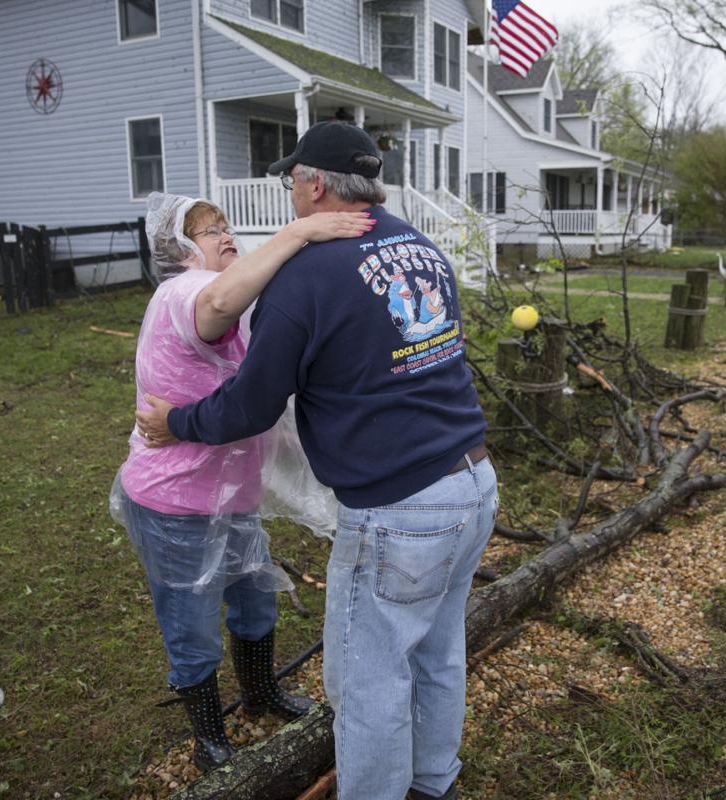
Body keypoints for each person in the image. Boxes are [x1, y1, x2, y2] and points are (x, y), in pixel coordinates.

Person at [135, 121, 495, 800]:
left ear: (315, 185)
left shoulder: (306, 277)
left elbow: (248, 406)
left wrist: (174, 421)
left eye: (291, 178)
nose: (288, 190)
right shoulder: (421, 247)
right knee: (439, 652)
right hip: (474, 482)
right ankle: (433, 782)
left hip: (402, 510)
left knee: (368, 681)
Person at [113, 192, 375, 773]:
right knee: (191, 622)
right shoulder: (181, 293)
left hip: (231, 494)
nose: (226, 236)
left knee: (254, 602)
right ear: (179, 252)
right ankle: (210, 736)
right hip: (174, 500)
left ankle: (260, 693)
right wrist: (298, 232)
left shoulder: (233, 300)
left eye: (227, 226)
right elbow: (217, 302)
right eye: (208, 232)